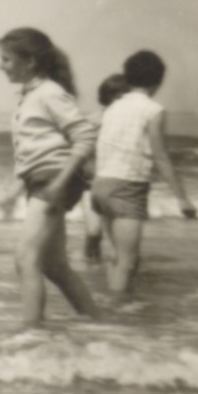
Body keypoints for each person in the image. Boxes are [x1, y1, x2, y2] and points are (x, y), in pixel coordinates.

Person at [0, 27, 99, 327]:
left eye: (6, 59)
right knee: (54, 265)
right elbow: (35, 153)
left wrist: (60, 182)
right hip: (44, 181)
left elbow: (84, 136)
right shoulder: (31, 96)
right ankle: (98, 322)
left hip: (53, 180)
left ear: (29, 61)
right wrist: (15, 190)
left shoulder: (49, 93)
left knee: (25, 258)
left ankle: (32, 333)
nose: (1, 66)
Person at [92, 50, 197, 297]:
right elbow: (160, 156)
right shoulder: (152, 110)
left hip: (101, 186)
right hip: (127, 188)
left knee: (117, 256)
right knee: (128, 262)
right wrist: (182, 199)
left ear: (128, 77)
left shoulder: (113, 107)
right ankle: (118, 311)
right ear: (158, 81)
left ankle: (114, 304)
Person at [83, 74, 131, 264]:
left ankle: (109, 271)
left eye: (125, 98)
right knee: (94, 231)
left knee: (117, 239)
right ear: (107, 96)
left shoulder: (130, 123)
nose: (121, 102)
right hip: (89, 184)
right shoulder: (93, 121)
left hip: (117, 185)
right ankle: (91, 265)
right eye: (117, 97)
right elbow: (76, 150)